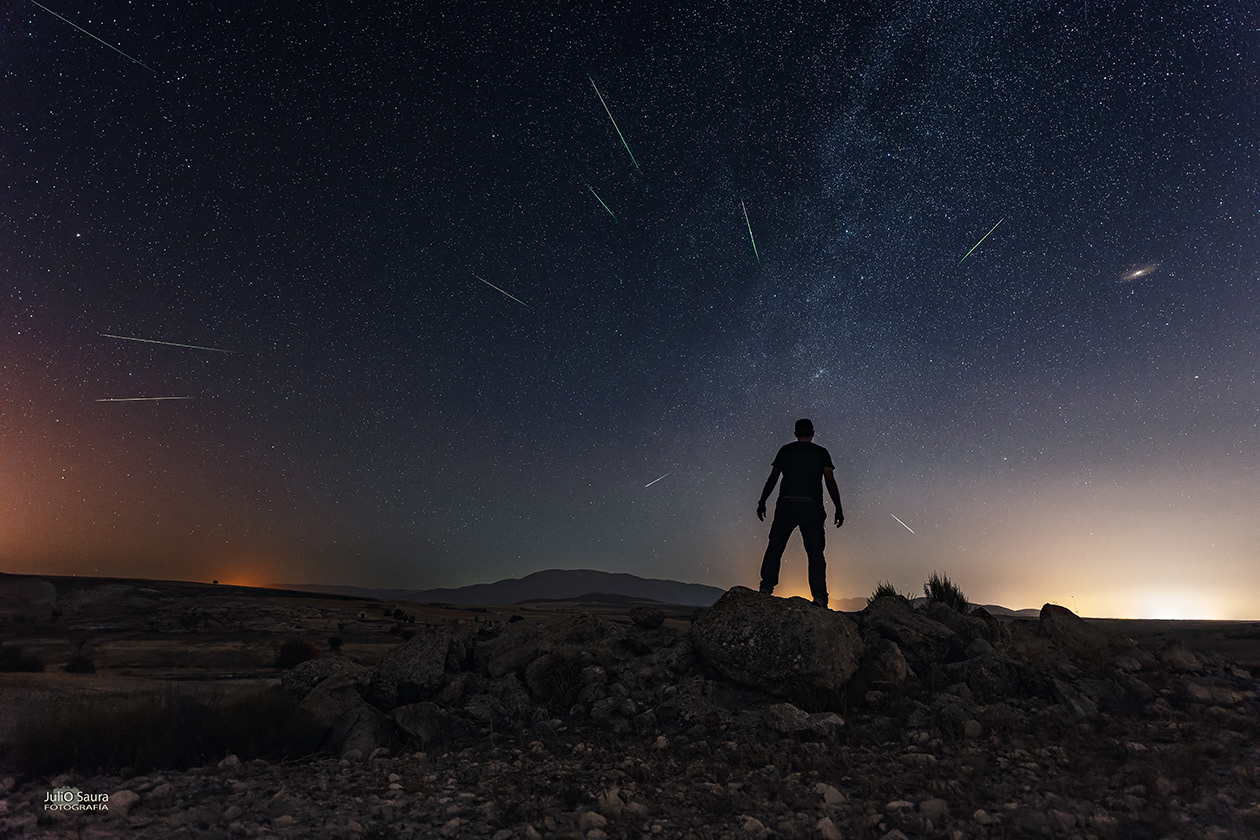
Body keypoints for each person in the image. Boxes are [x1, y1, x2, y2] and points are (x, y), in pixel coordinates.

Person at [756, 418, 844, 608]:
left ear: (795, 434)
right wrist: (838, 507)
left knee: (775, 546)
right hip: (812, 507)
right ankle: (819, 597)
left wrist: (762, 501)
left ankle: (766, 587)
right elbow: (830, 481)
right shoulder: (821, 453)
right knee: (815, 553)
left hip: (786, 505)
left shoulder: (785, 451)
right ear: (813, 433)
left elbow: (772, 478)